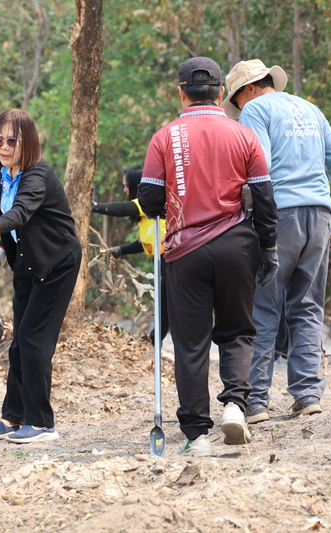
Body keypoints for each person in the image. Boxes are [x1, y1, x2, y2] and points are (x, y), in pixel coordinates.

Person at [137, 57, 278, 457]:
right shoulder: (243, 135)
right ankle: (235, 405)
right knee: (236, 331)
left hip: (185, 252)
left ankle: (197, 434)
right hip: (237, 246)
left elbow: (148, 197)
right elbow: (265, 199)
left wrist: (177, 197)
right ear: (220, 93)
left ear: (181, 92)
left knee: (191, 342)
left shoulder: (165, 136)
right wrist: (268, 248)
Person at [221, 59, 331, 422]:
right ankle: (308, 394)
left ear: (247, 90)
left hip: (279, 217)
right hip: (319, 216)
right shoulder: (310, 110)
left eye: (237, 102)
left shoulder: (256, 110)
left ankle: (256, 402)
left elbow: (258, 168)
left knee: (263, 308)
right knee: (307, 307)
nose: (239, 110)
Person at [0, 108, 81, 444]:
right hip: (27, 265)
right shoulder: (3, 173)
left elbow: (22, 210)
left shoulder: (37, 175)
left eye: (12, 141)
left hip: (56, 264)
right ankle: (13, 418)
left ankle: (43, 424)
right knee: (18, 344)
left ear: (26, 142)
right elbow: (11, 216)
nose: (3, 147)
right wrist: (2, 249)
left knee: (33, 342)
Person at [91, 165, 169, 339]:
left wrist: (95, 207)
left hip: (173, 261)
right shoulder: (149, 215)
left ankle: (155, 341)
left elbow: (123, 209)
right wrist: (120, 250)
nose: (125, 190)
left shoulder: (149, 202)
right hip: (164, 260)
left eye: (127, 186)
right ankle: (154, 340)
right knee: (166, 305)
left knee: (167, 306)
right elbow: (147, 242)